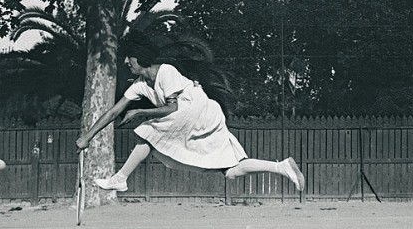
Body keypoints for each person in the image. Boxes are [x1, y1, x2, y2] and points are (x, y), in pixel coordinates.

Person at [76, 32, 304, 192]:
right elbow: (113, 112)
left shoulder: (166, 71)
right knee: (230, 170)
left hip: (199, 111)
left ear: (140, 58)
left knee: (148, 131)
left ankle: (120, 178)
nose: (126, 61)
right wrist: (87, 137)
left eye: (129, 58)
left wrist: (139, 113)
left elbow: (173, 108)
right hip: (198, 119)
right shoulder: (139, 85)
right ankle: (281, 167)